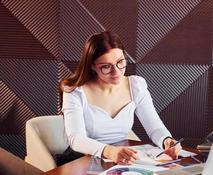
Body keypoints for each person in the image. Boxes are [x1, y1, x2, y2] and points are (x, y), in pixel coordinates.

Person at [59, 31, 181, 165]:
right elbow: (76, 139)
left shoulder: (136, 86)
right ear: (92, 66)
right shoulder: (75, 91)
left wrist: (166, 141)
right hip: (82, 159)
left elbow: (155, 128)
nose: (116, 71)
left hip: (120, 157)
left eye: (120, 62)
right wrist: (110, 151)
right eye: (106, 67)